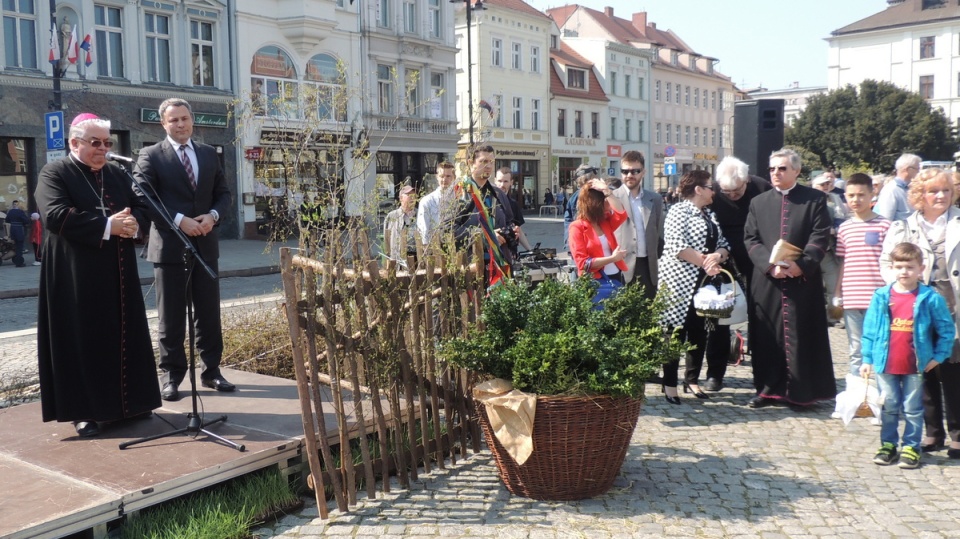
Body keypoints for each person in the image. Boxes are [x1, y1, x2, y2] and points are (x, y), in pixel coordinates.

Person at [35, 112, 160, 438]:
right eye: (95, 143)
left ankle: (129, 404)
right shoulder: (55, 172)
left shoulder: (118, 173)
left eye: (107, 143)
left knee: (122, 335)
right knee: (81, 338)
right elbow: (55, 215)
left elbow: (142, 206)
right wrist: (109, 225)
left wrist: (134, 225)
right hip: (74, 274)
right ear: (75, 143)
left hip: (118, 274)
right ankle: (83, 412)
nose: (103, 149)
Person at [135, 98, 234, 402]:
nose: (180, 125)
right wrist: (180, 221)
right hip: (169, 249)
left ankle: (212, 371)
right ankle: (172, 375)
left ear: (192, 120)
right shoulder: (151, 155)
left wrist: (213, 216)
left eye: (184, 119)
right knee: (172, 317)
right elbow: (143, 195)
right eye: (173, 120)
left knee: (208, 313)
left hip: (205, 245)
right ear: (163, 124)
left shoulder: (207, 153)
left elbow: (223, 193)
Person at [743, 148, 836, 408]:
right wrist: (769, 266)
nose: (776, 173)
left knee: (802, 334)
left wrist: (801, 265)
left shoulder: (814, 199)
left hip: (801, 282)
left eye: (782, 168)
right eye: (772, 168)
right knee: (766, 335)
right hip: (768, 281)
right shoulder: (758, 203)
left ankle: (802, 393)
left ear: (796, 170)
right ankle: (767, 390)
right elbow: (751, 239)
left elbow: (820, 236)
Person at [879, 168, 960, 459]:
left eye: (946, 190)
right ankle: (932, 432)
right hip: (916, 304)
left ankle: (958, 434)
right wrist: (901, 292)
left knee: (953, 368)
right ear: (920, 195)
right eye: (933, 191)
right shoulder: (903, 226)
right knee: (921, 369)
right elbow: (888, 264)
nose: (940, 196)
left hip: (954, 302)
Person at [861, 242, 955, 469]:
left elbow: (946, 329)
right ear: (892, 268)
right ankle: (888, 445)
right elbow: (870, 329)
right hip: (886, 363)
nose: (904, 272)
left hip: (915, 365)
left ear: (921, 269)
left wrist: (938, 356)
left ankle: (911, 446)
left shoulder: (929, 298)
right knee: (890, 406)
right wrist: (867, 359)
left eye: (910, 267)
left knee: (913, 409)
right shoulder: (882, 296)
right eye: (899, 266)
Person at [658, 170, 730, 403]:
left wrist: (718, 257)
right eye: (711, 187)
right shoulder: (679, 210)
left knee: (699, 332)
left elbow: (724, 244)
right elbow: (677, 246)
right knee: (674, 333)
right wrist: (704, 262)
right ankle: (669, 384)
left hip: (704, 283)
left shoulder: (709, 213)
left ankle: (692, 380)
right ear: (698, 189)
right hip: (679, 282)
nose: (714, 192)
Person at [703, 156, 771, 391]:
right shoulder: (714, 193)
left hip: (757, 261)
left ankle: (763, 374)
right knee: (719, 319)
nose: (731, 195)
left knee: (761, 317)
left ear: (746, 181)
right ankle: (715, 373)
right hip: (724, 260)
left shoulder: (761, 188)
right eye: (726, 191)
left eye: (737, 190)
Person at [834, 173, 891, 378]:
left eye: (861, 195)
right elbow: (843, 262)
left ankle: (879, 393)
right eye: (851, 195)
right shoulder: (844, 228)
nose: (855, 200)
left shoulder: (885, 225)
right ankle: (858, 395)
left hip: (878, 296)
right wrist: (837, 291)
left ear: (871, 195)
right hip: (851, 297)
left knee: (879, 346)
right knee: (855, 349)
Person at [452, 144, 514, 285]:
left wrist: (510, 233)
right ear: (470, 163)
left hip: (499, 265)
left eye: (491, 162)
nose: (489, 166)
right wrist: (486, 235)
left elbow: (510, 221)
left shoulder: (498, 194)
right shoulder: (459, 193)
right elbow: (450, 230)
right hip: (471, 266)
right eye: (483, 161)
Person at [611, 150, 663, 301]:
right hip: (621, 267)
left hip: (648, 266)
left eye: (635, 171)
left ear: (643, 172)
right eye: (625, 171)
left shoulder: (655, 199)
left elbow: (659, 233)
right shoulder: (612, 198)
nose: (629, 175)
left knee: (648, 314)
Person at [568, 178, 628, 307]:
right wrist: (612, 258)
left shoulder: (605, 222)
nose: (608, 204)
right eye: (604, 200)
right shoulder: (577, 227)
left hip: (615, 276)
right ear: (595, 203)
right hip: (594, 281)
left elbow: (621, 214)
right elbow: (583, 264)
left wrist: (607, 191)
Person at [812, 173, 848, 326]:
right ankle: (815, 316)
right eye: (822, 185)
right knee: (813, 288)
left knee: (833, 284)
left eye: (827, 184)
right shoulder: (806, 202)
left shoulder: (835, 200)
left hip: (828, 251)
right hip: (811, 252)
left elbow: (842, 221)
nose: (826, 187)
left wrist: (833, 230)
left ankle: (833, 316)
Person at [417, 161, 457, 247]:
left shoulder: (459, 200)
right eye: (442, 176)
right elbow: (423, 230)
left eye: (448, 176)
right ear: (437, 177)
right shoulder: (427, 201)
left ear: (454, 177)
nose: (444, 179)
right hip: (435, 248)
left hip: (456, 247)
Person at [494, 167, 532, 254]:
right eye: (499, 181)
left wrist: (530, 250)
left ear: (511, 182)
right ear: (495, 181)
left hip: (510, 252)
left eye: (505, 181)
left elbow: (519, 230)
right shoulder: (488, 201)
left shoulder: (513, 204)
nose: (502, 185)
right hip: (494, 253)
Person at [875, 153, 920, 221]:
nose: (919, 172)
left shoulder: (909, 188)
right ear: (908, 169)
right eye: (917, 169)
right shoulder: (891, 190)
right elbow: (886, 219)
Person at [564, 164, 598, 252]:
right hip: (592, 243)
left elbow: (568, 221)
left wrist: (569, 241)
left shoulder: (573, 198)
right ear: (591, 178)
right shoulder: (598, 195)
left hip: (577, 244)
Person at [383, 184, 418, 261]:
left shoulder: (420, 215)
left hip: (417, 258)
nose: (412, 198)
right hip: (397, 259)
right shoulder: (392, 216)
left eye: (414, 195)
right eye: (409, 195)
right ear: (401, 198)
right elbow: (386, 240)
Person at [5, 199, 30, 267]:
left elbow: (7, 220)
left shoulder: (10, 212)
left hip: (12, 229)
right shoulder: (20, 212)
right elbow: (26, 220)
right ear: (18, 205)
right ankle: (19, 262)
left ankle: (17, 260)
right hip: (19, 229)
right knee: (20, 246)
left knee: (16, 245)